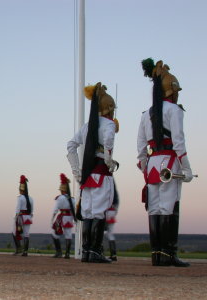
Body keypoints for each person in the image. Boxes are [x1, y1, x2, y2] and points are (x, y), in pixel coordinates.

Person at [138, 58, 194, 267]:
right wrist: (187, 167)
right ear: (171, 90)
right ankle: (169, 254)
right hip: (170, 161)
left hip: (153, 163)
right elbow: (179, 142)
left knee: (154, 208)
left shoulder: (146, 115)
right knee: (169, 208)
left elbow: (140, 148)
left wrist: (146, 169)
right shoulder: (175, 110)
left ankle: (156, 255)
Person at [67, 82, 118, 263]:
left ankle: (87, 251)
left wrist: (76, 170)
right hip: (101, 173)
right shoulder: (109, 124)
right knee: (99, 213)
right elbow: (109, 143)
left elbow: (71, 146)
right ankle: (96, 251)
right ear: (109, 108)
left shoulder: (87, 126)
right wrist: (109, 160)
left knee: (88, 213)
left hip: (87, 175)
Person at [51, 173, 75, 259]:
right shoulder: (72, 199)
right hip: (70, 217)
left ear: (62, 189)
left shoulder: (60, 198)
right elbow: (74, 210)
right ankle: (67, 254)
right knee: (68, 235)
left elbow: (55, 210)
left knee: (54, 233)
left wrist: (52, 219)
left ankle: (59, 252)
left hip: (62, 217)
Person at [12, 175, 34, 257]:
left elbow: (17, 209)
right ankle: (25, 251)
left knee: (14, 232)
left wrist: (16, 217)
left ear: (21, 189)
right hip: (28, 217)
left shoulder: (20, 198)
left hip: (21, 217)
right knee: (26, 234)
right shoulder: (31, 198)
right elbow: (32, 211)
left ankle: (18, 249)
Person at [104, 183, 119, 261]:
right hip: (112, 211)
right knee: (110, 234)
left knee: (100, 232)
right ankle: (113, 254)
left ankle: (100, 252)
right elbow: (116, 202)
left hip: (105, 211)